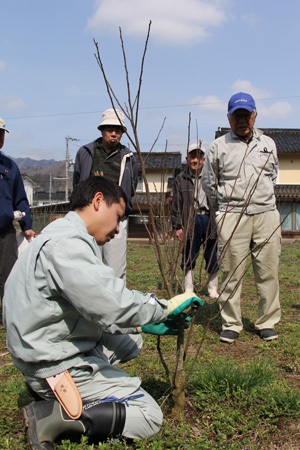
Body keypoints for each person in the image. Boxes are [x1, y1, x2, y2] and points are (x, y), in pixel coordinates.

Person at [3, 176, 201, 449]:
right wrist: (163, 308)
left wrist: (141, 326)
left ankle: (62, 391)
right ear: (98, 201)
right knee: (149, 416)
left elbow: (91, 301)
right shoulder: (67, 245)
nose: (119, 230)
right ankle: (55, 415)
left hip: (40, 346)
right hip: (49, 363)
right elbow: (111, 303)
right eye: (118, 216)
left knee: (131, 341)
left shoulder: (56, 234)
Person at [202, 92, 281, 344]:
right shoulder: (218, 146)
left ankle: (267, 322)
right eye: (237, 115)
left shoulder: (268, 143)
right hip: (231, 214)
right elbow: (209, 183)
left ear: (254, 116)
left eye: (246, 115)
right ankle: (231, 323)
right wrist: (223, 208)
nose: (242, 120)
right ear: (229, 117)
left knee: (268, 270)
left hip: (266, 213)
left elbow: (274, 177)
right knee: (231, 270)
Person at [73, 108, 138, 282]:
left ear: (122, 133)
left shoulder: (129, 157)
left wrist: (122, 212)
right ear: (102, 130)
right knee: (87, 266)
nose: (114, 133)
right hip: (89, 218)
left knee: (116, 269)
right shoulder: (85, 153)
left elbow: (132, 187)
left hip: (116, 218)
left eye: (118, 130)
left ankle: (116, 306)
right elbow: (77, 183)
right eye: (109, 129)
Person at [171, 143, 218, 297]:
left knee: (212, 254)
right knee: (189, 254)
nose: (195, 160)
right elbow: (176, 204)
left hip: (210, 218)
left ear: (204, 159)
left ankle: (212, 289)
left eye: (199, 156)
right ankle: (189, 288)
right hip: (190, 220)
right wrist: (178, 226)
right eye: (192, 156)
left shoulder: (212, 177)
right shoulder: (180, 179)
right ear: (187, 158)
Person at [0, 117, 35, 301]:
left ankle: (8, 314)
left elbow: (20, 199)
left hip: (5, 231)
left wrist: (26, 225)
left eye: (1, 134)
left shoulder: (9, 167)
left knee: (8, 276)